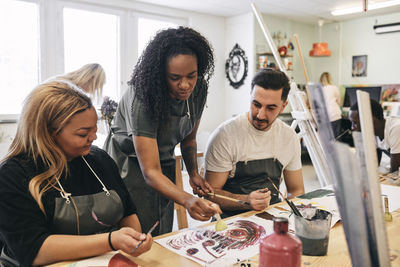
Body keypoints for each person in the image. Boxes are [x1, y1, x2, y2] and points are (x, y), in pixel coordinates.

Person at [0, 81, 152, 266]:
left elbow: (127, 214)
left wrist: (134, 239)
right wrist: (110, 241)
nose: (94, 137)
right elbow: (35, 250)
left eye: (95, 129)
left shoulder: (100, 161)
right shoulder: (14, 175)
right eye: (83, 133)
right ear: (48, 133)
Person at [104, 26, 221, 236]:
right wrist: (187, 200)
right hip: (129, 166)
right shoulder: (143, 97)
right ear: (160, 74)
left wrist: (193, 173)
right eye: (175, 77)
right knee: (138, 231)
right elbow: (150, 172)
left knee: (161, 225)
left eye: (191, 76)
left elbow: (189, 140)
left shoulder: (199, 90)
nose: (185, 85)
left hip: (163, 161)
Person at [204, 68, 305, 217]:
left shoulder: (289, 137)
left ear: (283, 106)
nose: (260, 114)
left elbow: (296, 190)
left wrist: (290, 220)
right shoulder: (225, 136)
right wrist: (246, 201)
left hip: (272, 216)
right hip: (230, 220)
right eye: (256, 104)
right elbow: (210, 193)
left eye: (271, 108)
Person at [349, 99, 400, 172]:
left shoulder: (396, 128)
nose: (352, 127)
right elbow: (373, 163)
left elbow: (395, 170)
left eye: (355, 123)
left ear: (371, 120)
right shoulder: (372, 132)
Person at [320, 72, 342, 138]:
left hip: (326, 117)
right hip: (336, 114)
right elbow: (339, 102)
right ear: (330, 79)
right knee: (337, 137)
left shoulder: (320, 90)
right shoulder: (334, 88)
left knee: (328, 138)